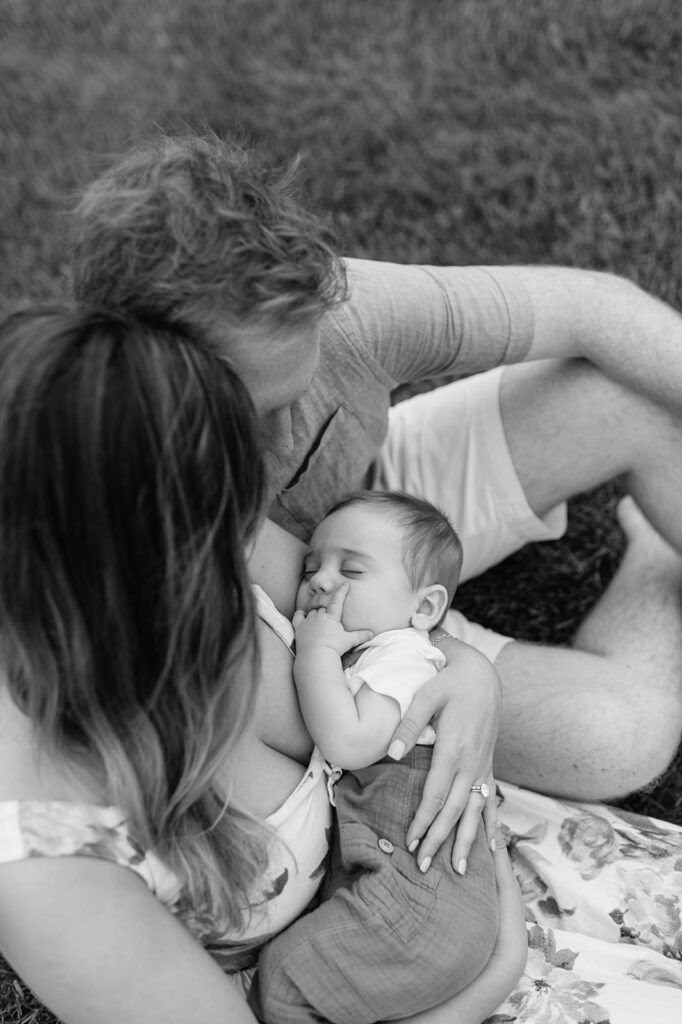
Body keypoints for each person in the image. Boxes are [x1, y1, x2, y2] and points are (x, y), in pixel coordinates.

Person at [1, 309, 682, 1023]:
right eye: (224, 517)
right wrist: (494, 975)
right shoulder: (51, 855)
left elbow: (383, 626)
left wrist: (467, 679)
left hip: (428, 872)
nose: (253, 525)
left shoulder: (205, 536)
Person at [69, 131, 682, 878]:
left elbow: (591, 309)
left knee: (629, 398)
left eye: (302, 391)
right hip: (324, 635)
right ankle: (652, 556)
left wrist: (465, 667)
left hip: (379, 510)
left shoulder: (325, 307)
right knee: (622, 736)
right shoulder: (112, 473)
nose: (288, 434)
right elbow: (303, 627)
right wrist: (453, 666)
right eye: (252, 412)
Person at [256, 491, 501, 1023]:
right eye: (311, 566)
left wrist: (316, 651)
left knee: (285, 982)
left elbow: (349, 741)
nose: (320, 580)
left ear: (425, 608)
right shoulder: (378, 654)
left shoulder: (403, 657)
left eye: (352, 570)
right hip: (408, 897)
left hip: (416, 907)